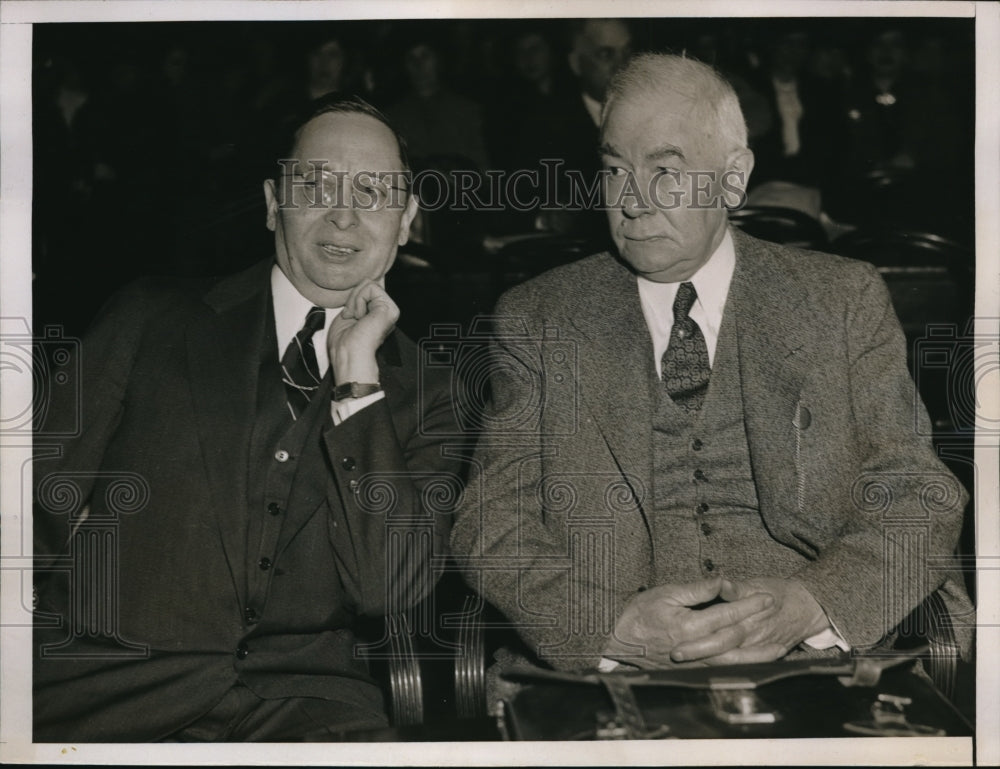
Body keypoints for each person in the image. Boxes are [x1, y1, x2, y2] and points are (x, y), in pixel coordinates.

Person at [450, 53, 972, 674]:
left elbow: (921, 492)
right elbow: (488, 521)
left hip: (826, 657)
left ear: (732, 178)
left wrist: (814, 604)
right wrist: (606, 627)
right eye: (615, 170)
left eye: (665, 172)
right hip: (625, 672)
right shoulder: (539, 318)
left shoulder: (839, 298)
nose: (633, 201)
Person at [33, 94, 460, 741]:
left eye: (373, 191)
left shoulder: (434, 394)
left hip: (307, 711)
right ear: (271, 202)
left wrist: (357, 380)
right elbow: (26, 505)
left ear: (406, 221)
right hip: (103, 694)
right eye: (315, 184)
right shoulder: (151, 318)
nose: (343, 213)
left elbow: (387, 588)